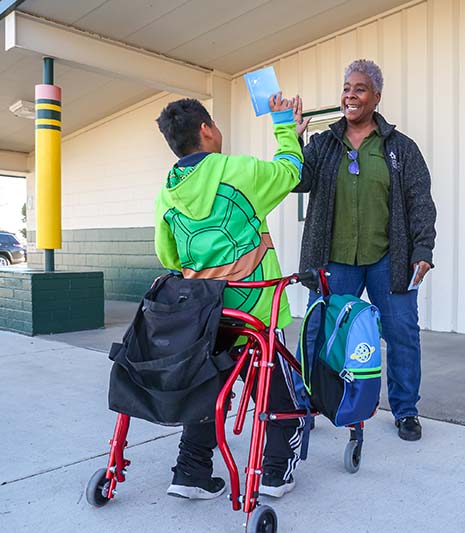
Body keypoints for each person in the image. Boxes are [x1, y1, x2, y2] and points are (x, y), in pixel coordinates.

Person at [154, 94, 306, 500]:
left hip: (205, 314)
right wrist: (286, 128)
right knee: (278, 396)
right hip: (256, 310)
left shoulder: (168, 193)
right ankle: (274, 473)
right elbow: (291, 170)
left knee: (209, 391)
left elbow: (167, 255)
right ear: (206, 130)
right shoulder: (238, 171)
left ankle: (191, 474)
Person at [293, 59, 437, 441]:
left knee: (402, 332)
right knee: (317, 332)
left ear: (376, 96)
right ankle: (305, 402)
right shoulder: (324, 144)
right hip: (334, 259)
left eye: (359, 89)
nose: (350, 95)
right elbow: (297, 181)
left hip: (387, 259)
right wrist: (292, 140)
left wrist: (423, 248)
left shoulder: (400, 148)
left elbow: (420, 200)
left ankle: (405, 409)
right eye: (346, 88)